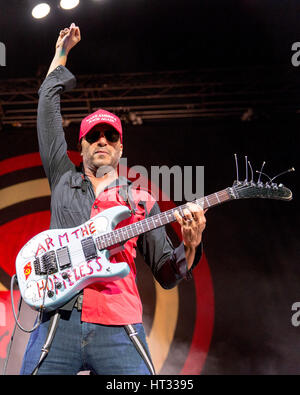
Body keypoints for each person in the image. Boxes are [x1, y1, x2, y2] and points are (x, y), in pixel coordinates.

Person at [20, 23, 206, 375]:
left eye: (110, 136)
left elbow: (167, 274)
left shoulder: (140, 200)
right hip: (59, 320)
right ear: (82, 146)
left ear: (120, 147)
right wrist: (61, 53)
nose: (102, 141)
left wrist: (191, 246)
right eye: (93, 136)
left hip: (119, 324)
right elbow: (47, 107)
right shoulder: (64, 178)